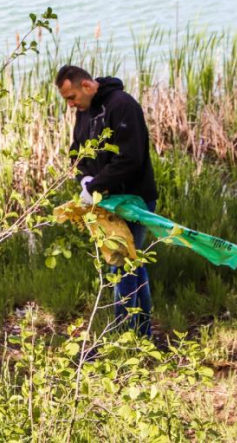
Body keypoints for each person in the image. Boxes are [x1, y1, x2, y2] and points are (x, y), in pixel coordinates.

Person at [54, 65, 159, 338]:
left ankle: (121, 338)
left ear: (87, 86)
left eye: (71, 97)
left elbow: (131, 158)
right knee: (134, 264)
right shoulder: (84, 112)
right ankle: (143, 335)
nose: (70, 104)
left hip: (134, 199)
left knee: (122, 265)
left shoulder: (122, 105)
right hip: (106, 201)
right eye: (67, 99)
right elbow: (77, 154)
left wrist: (97, 185)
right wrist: (85, 181)